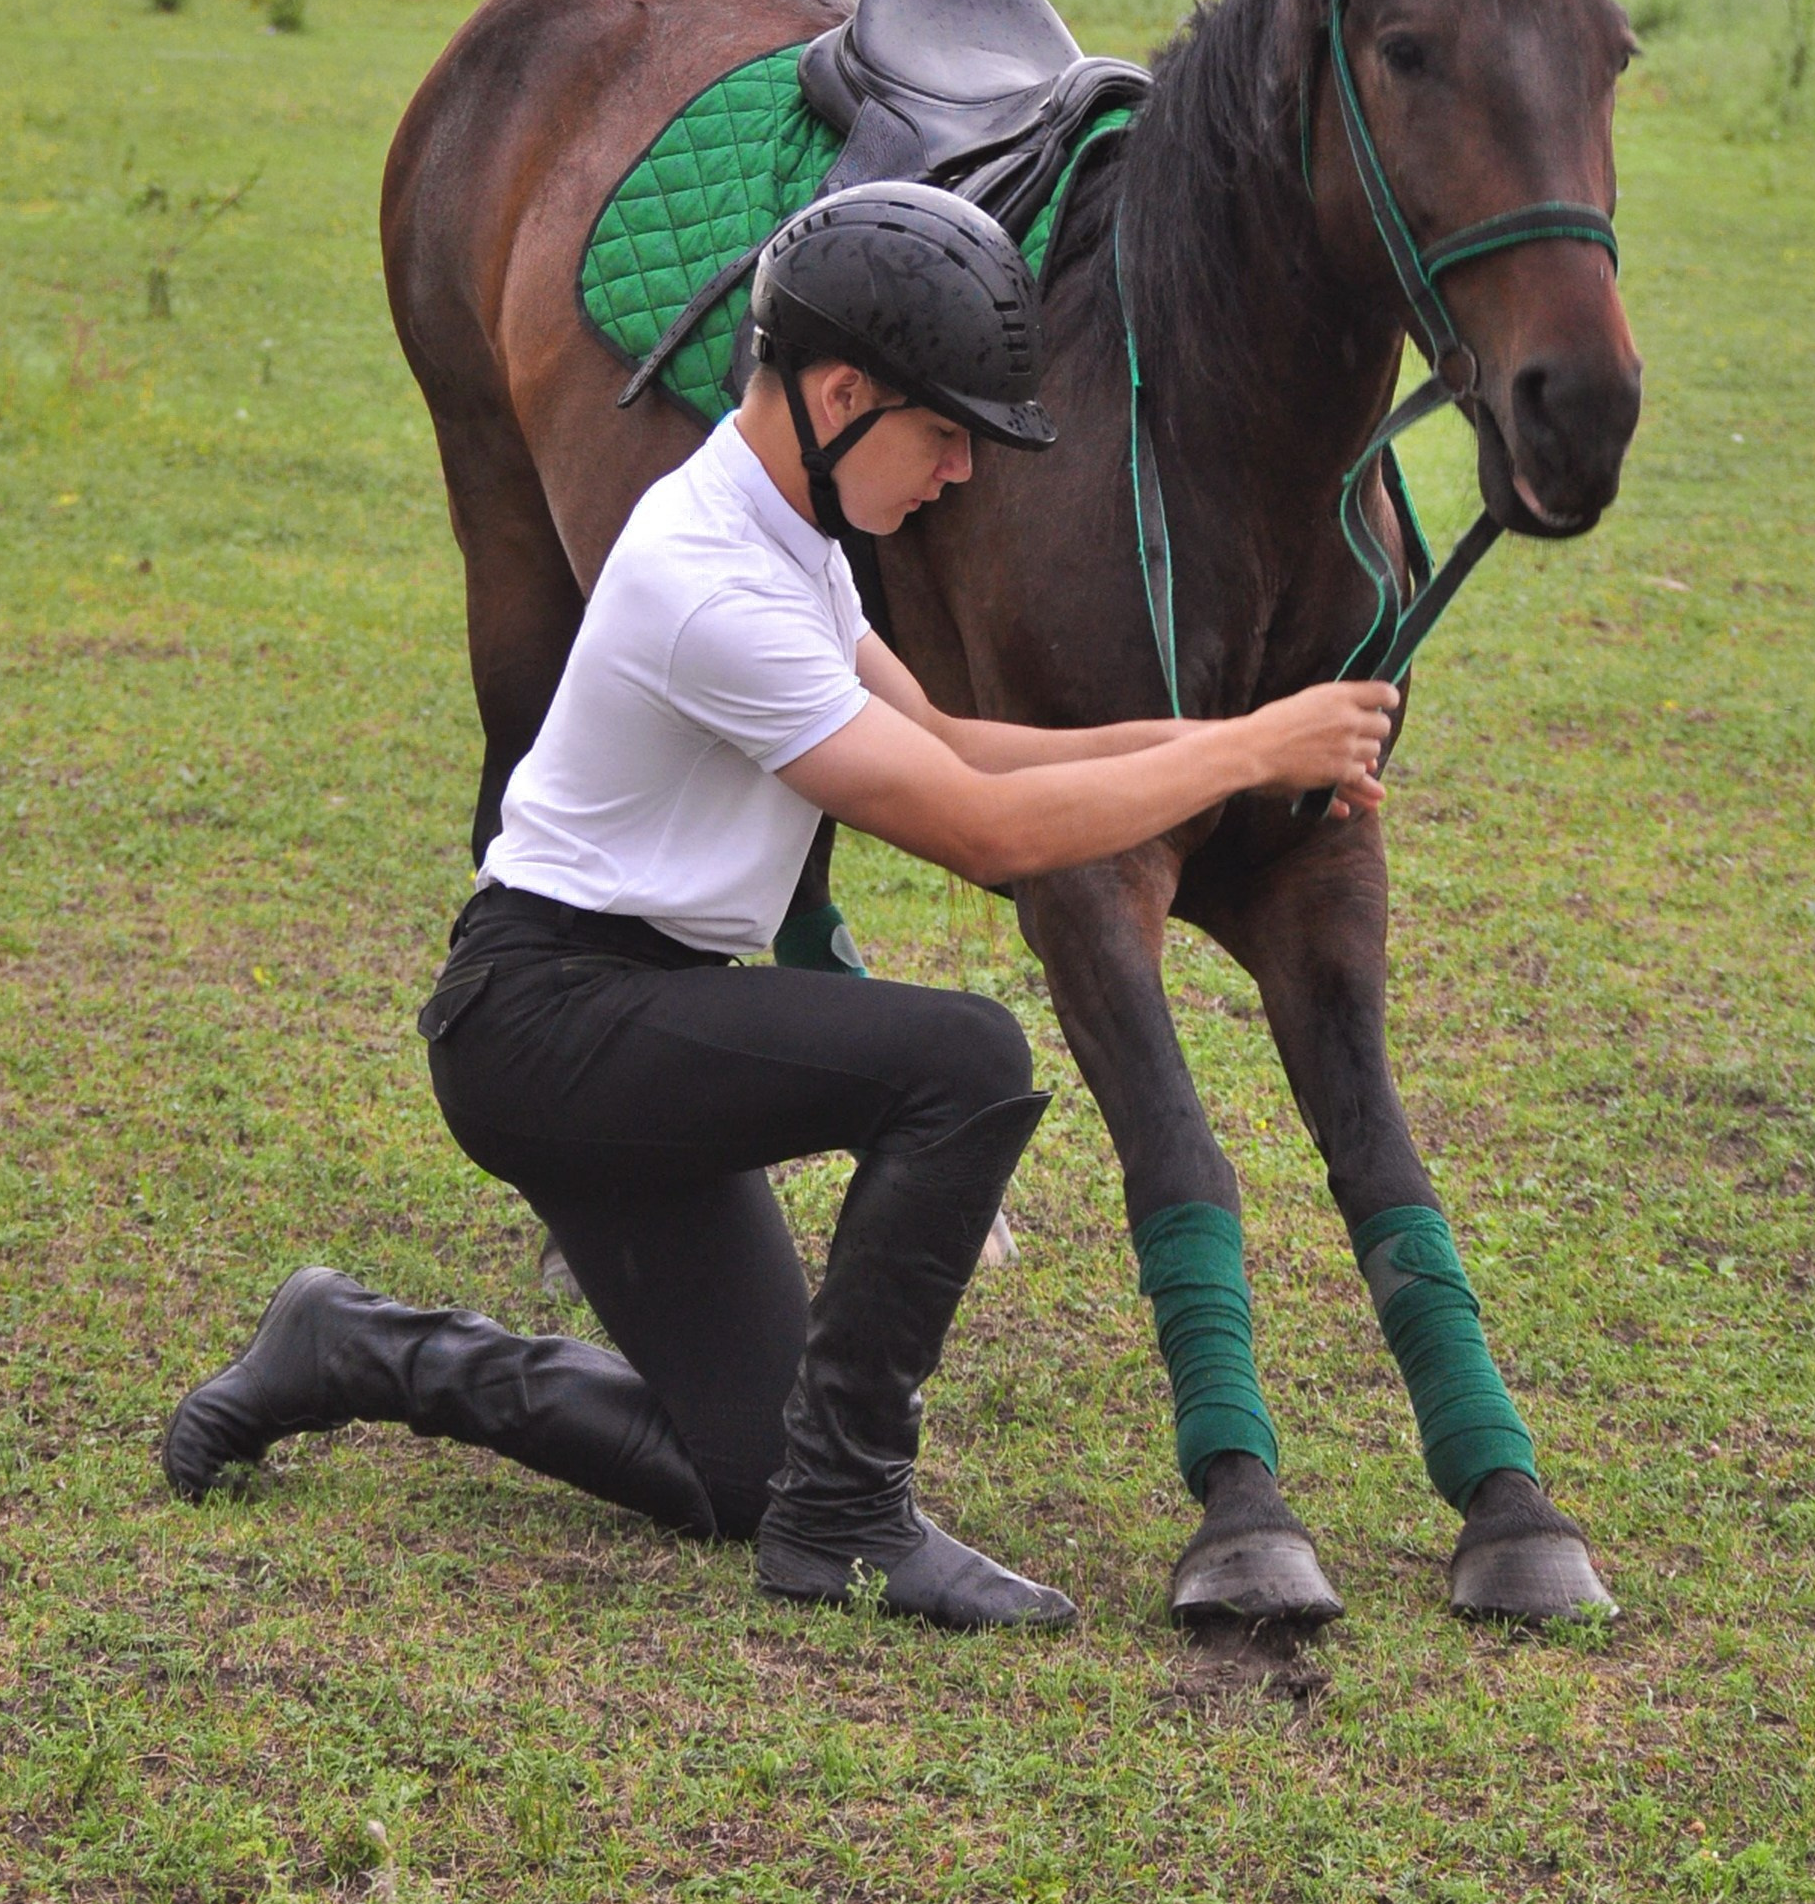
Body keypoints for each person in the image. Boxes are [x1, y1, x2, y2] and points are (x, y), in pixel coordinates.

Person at [161, 183, 1394, 1630]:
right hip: (548, 1020)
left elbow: (956, 744)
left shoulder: (788, 530)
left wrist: (1239, 736)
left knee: (745, 1466)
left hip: (633, 1012)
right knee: (965, 1061)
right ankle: (849, 1516)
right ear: (842, 394)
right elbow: (984, 831)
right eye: (944, 433)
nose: (958, 473)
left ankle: (352, 1346)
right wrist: (1244, 755)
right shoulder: (712, 584)